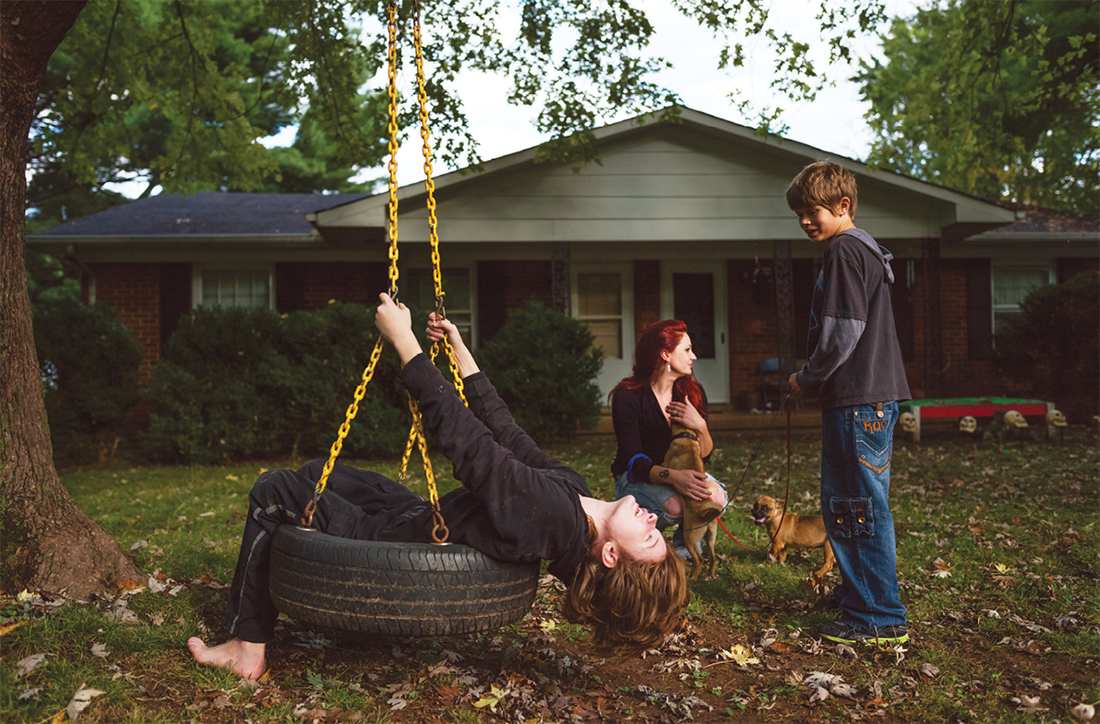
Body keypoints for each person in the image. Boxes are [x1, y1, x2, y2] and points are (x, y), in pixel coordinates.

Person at [188, 293, 689, 679]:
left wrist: (403, 344)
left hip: (386, 540)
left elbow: (473, 447)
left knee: (277, 490)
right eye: (656, 531)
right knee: (320, 471)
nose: (653, 520)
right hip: (414, 515)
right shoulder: (573, 497)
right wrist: (459, 349)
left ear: (608, 556)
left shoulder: (551, 522)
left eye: (649, 537)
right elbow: (505, 433)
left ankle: (246, 646)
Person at [785, 161, 911, 645]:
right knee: (854, 505)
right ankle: (862, 597)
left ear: (843, 206)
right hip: (871, 400)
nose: (804, 221)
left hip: (857, 401)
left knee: (857, 507)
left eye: (812, 210)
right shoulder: (868, 250)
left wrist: (807, 378)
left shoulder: (843, 250)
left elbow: (842, 334)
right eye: (798, 214)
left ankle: (878, 616)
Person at [608, 320, 726, 561]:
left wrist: (700, 426)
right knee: (674, 507)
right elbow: (634, 461)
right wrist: (675, 477)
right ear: (665, 354)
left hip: (679, 474)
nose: (693, 356)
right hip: (633, 479)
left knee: (717, 498)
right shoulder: (628, 396)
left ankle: (685, 548)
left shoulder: (691, 393)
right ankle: (645, 543)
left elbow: (704, 456)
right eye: (687, 350)